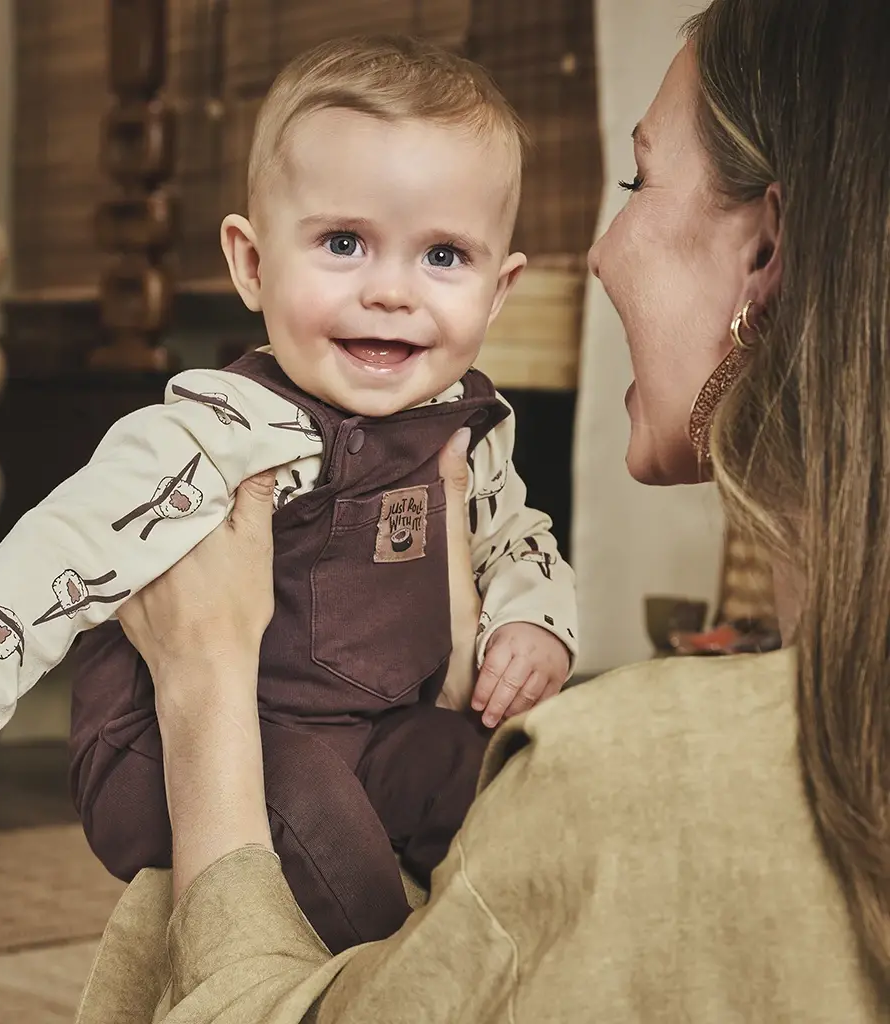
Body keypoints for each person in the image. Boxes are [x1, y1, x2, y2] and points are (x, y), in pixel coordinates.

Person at [72, 0, 890, 1020]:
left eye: (636, 180)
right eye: (343, 243)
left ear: (763, 254)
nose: (598, 251)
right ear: (251, 259)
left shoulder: (614, 776)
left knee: (178, 891)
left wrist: (204, 695)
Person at [0, 37, 578, 953]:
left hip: (375, 730)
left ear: (500, 289)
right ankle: (382, 985)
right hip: (176, 748)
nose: (392, 291)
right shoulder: (218, 427)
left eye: (443, 255)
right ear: (250, 263)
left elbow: (516, 538)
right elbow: (65, 544)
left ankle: (529, 965)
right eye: (343, 243)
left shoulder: (464, 427)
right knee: (314, 811)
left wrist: (534, 623)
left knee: (508, 779)